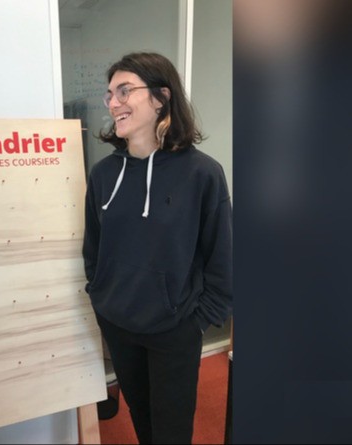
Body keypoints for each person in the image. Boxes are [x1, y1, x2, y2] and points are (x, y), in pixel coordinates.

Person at [82, 52, 233, 444]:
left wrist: (199, 321)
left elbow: (222, 256)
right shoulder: (103, 174)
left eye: (125, 91)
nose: (113, 103)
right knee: (142, 420)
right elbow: (93, 247)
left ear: (161, 98)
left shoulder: (202, 174)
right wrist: (101, 297)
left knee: (171, 430)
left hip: (175, 328)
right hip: (119, 325)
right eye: (110, 94)